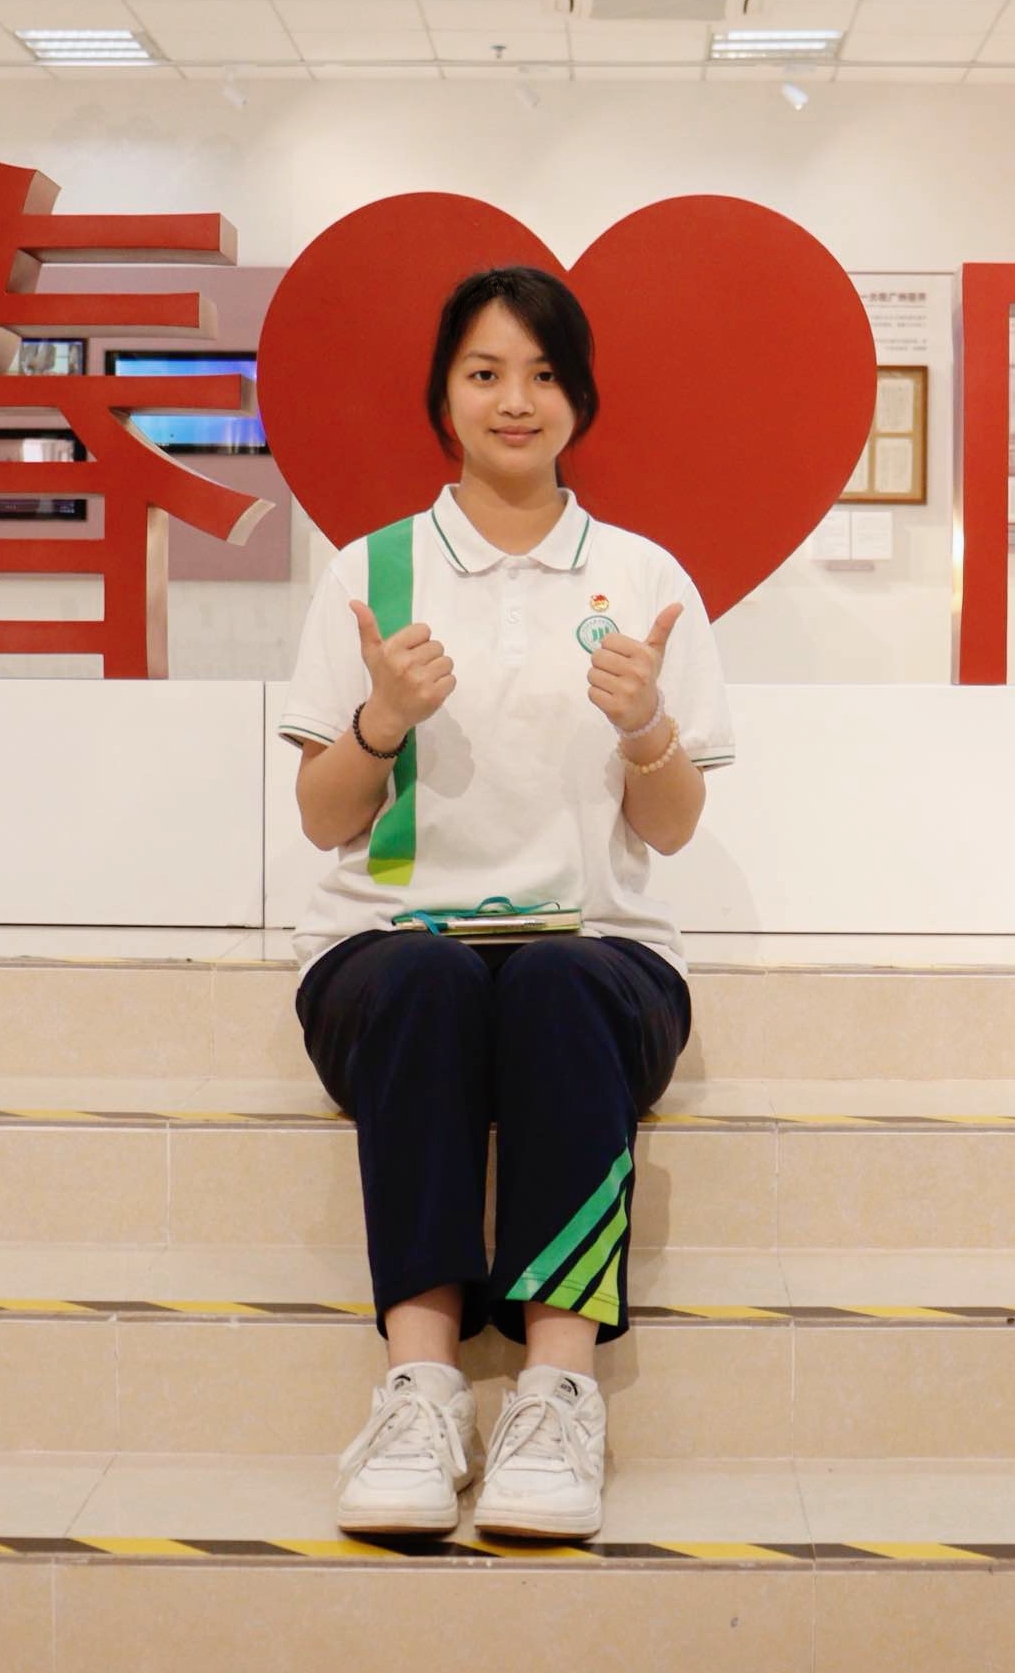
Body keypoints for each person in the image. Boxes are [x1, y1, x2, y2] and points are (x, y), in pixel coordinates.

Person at [275, 265, 733, 1542]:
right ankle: (419, 1391)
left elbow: (672, 827)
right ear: (445, 396)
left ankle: (556, 1392)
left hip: (600, 957)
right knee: (425, 978)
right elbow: (322, 817)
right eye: (485, 372)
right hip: (387, 952)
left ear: (579, 397)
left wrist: (647, 727)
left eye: (541, 374)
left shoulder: (643, 575)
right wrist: (381, 719)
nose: (514, 400)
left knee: (558, 982)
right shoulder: (371, 571)